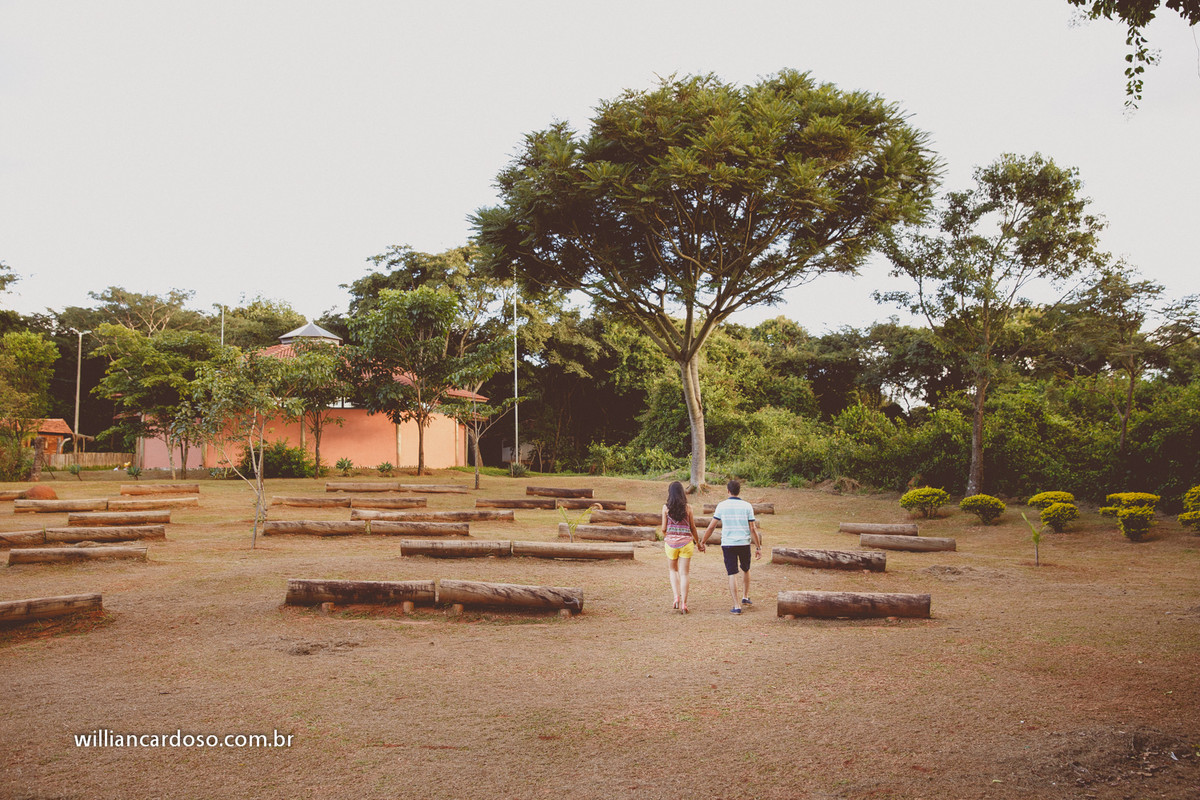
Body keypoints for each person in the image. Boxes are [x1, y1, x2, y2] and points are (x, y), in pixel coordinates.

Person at [701, 479, 761, 614]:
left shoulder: (722, 506)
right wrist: (758, 547)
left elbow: (711, 526)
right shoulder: (747, 506)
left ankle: (737, 605)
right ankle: (745, 596)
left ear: (728, 491)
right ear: (739, 491)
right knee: (746, 569)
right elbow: (753, 529)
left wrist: (703, 541)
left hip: (728, 544)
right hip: (744, 543)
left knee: (732, 573)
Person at [661, 480, 704, 613]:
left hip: (671, 544)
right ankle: (684, 604)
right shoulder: (688, 508)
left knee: (673, 571)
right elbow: (692, 527)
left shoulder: (665, 508)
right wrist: (698, 543)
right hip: (686, 543)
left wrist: (666, 536)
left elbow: (663, 528)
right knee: (684, 573)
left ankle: (676, 598)